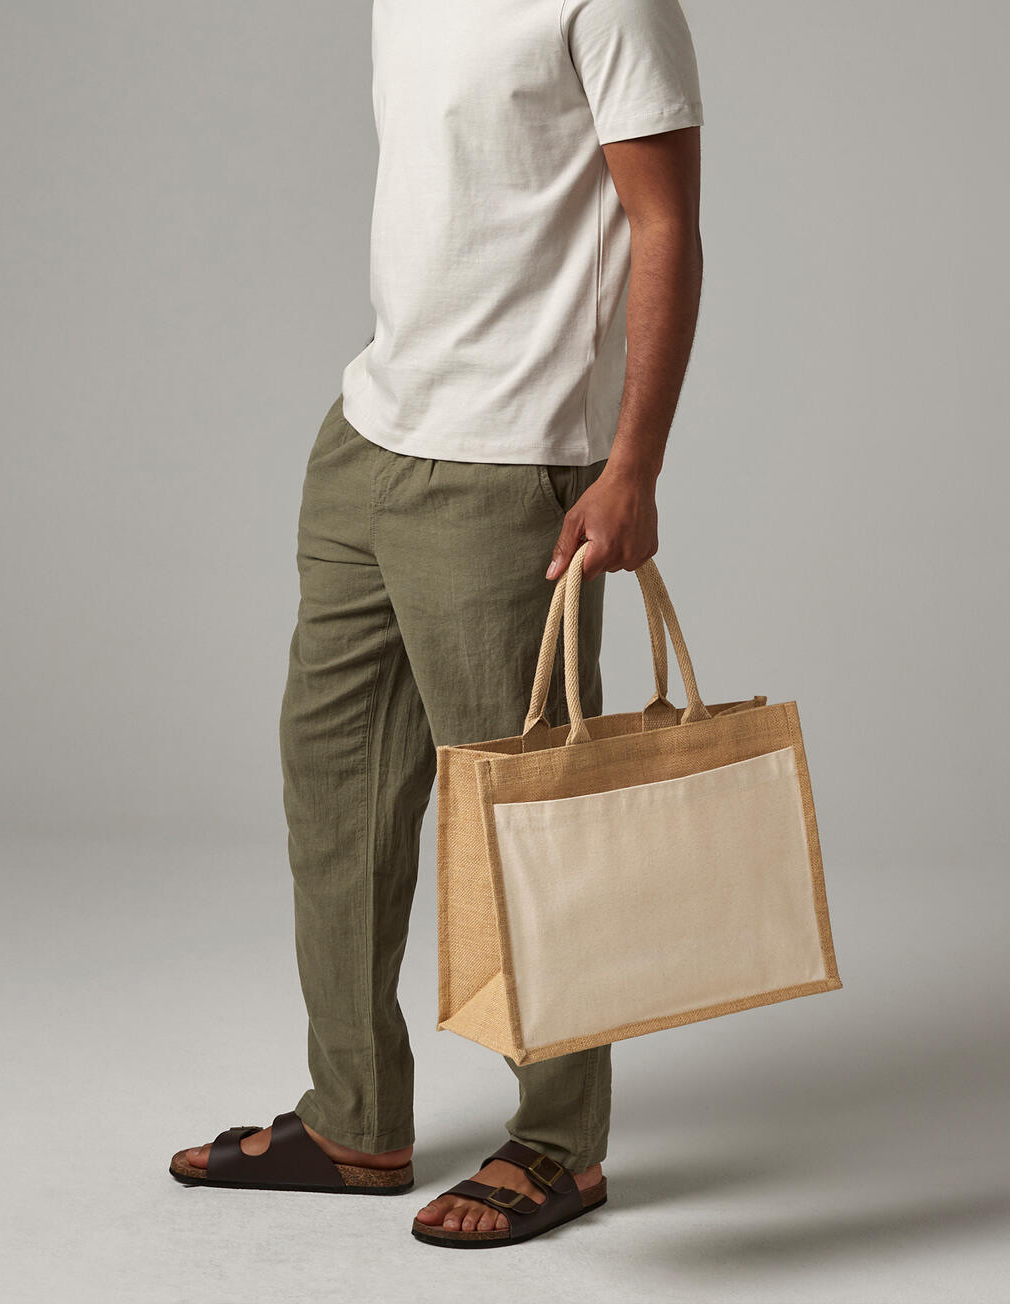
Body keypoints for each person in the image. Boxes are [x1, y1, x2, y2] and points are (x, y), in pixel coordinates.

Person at [169, 0, 705, 1248]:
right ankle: (353, 1117)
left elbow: (665, 222)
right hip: (368, 435)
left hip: (510, 468)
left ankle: (560, 1140)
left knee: (527, 823)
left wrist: (632, 465)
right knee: (335, 800)